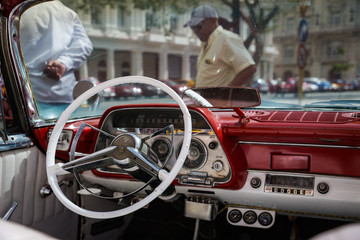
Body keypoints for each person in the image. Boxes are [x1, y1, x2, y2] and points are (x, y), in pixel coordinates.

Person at [20, 0, 93, 116]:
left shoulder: (17, 12)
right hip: (63, 96)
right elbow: (84, 44)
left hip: (25, 96)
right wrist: (63, 63)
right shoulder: (67, 12)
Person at [184, 5, 256, 87]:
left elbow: (249, 68)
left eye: (199, 26)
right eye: (193, 27)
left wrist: (226, 93)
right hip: (204, 99)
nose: (196, 31)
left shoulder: (226, 39)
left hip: (218, 99)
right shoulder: (206, 44)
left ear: (213, 20)